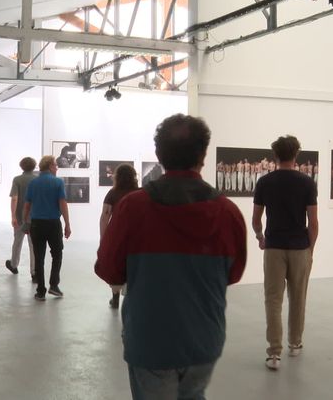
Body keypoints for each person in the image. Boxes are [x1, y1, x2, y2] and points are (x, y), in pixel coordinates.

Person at [95, 114, 247, 400]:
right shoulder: (228, 213)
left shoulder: (133, 208)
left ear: (159, 154)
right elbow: (233, 274)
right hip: (204, 338)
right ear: (203, 155)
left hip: (149, 338)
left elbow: (108, 270)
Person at [252, 135, 319, 371]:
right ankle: (295, 343)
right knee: (298, 297)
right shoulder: (307, 183)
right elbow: (313, 222)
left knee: (273, 300)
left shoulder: (264, 182)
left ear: (275, 156)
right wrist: (310, 249)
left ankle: (274, 353)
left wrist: (261, 237)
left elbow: (256, 219)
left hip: (273, 248)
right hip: (299, 247)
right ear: (296, 155)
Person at [23, 155, 71, 301]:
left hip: (37, 224)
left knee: (39, 257)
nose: (57, 167)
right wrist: (67, 224)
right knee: (57, 254)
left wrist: (26, 222)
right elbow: (62, 204)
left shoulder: (33, 183)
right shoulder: (58, 182)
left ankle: (41, 291)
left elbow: (27, 205)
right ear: (50, 166)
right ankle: (54, 285)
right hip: (53, 223)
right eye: (55, 165)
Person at [98, 163, 139, 309]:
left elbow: (105, 216)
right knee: (133, 267)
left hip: (117, 235)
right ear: (134, 176)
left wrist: (103, 239)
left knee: (116, 265)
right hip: (136, 236)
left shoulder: (113, 193)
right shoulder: (140, 192)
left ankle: (115, 297)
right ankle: (130, 299)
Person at [5, 157, 37, 280]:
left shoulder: (17, 180)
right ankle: (34, 272)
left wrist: (13, 216)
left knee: (17, 242)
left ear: (21, 166)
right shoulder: (37, 180)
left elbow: (14, 198)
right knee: (33, 245)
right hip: (34, 217)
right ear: (34, 166)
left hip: (19, 217)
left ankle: (13, 265)